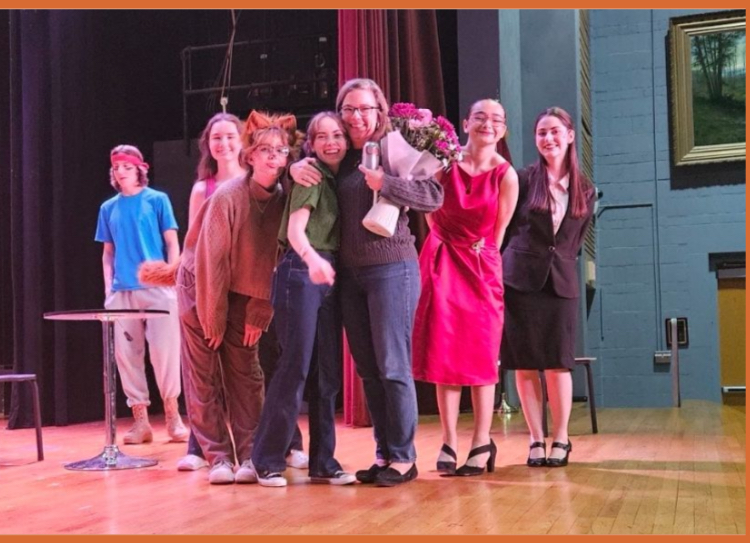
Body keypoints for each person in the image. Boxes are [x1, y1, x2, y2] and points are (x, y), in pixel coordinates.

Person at [291, 78, 444, 487]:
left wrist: (387, 184)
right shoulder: (338, 157)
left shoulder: (396, 149)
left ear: (379, 111)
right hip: (350, 277)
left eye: (364, 109)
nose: (356, 117)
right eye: (348, 109)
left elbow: (433, 196)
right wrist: (295, 165)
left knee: (393, 365)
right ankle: (384, 452)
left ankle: (403, 458)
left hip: (392, 268)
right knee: (369, 371)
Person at [175, 113, 309, 473]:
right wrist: (213, 316)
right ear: (249, 156)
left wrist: (259, 308)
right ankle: (218, 456)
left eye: (279, 151)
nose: (272, 156)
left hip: (243, 292)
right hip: (200, 288)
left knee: (247, 375)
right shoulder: (227, 196)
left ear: (286, 159)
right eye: (264, 150)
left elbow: (276, 260)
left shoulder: (285, 199)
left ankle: (251, 454)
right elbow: (211, 263)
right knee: (204, 374)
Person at [412, 99, 519, 476]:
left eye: (495, 120)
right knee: (445, 352)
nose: (487, 124)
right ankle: (448, 440)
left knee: (480, 354)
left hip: (480, 265)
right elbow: (428, 207)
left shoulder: (506, 175)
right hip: (442, 261)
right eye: (480, 117)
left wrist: (474, 250)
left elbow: (499, 230)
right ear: (465, 123)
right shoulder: (443, 165)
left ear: (503, 130)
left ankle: (481, 441)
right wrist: (446, 241)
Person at [252, 112, 354, 487]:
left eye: (338, 136)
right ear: (310, 143)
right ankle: (266, 458)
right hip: (302, 270)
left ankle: (323, 461)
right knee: (294, 368)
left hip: (327, 273)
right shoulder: (310, 175)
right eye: (322, 136)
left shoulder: (339, 177)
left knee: (327, 373)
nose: (331, 143)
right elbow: (296, 230)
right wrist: (313, 261)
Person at [500, 106, 595, 468]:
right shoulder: (522, 180)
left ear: (570, 135)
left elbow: (575, 240)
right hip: (520, 280)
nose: (548, 138)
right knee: (524, 364)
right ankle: (536, 438)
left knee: (558, 364)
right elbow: (507, 228)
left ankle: (561, 438)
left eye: (555, 131)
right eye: (541, 132)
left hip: (561, 282)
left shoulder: (585, 190)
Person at [95, 144, 189, 445]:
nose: (120, 171)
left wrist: (173, 276)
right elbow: (107, 253)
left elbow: (173, 242)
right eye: (116, 167)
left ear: (139, 169)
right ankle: (141, 422)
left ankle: (173, 417)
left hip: (158, 287)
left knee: (165, 352)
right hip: (123, 292)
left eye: (126, 166)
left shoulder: (157, 200)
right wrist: (109, 287)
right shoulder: (108, 208)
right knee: (127, 357)